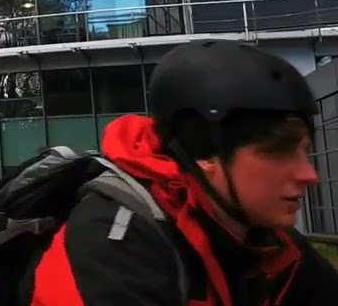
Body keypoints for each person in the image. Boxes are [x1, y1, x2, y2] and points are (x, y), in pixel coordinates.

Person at [25, 40, 338, 305]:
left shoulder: (272, 241)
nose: (309, 174)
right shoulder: (113, 241)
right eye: (278, 152)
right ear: (205, 157)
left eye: (305, 152)